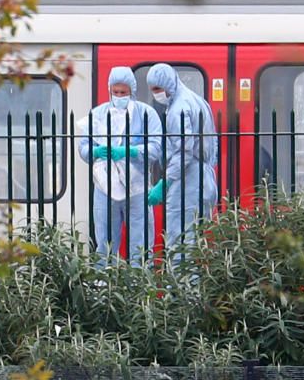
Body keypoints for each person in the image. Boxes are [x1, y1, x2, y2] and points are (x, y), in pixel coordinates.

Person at [78, 67, 163, 266]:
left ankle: (140, 289)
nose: (118, 96)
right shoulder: (98, 114)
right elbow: (83, 147)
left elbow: (156, 148)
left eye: (123, 92)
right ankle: (103, 289)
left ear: (131, 91)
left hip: (137, 189)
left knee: (140, 246)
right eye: (115, 92)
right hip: (104, 188)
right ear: (109, 90)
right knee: (105, 246)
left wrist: (130, 151)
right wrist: (95, 152)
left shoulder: (146, 114)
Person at [145, 64, 218, 259]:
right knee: (192, 239)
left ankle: (180, 288)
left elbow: (184, 151)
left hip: (187, 180)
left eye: (157, 89)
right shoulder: (195, 100)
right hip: (201, 176)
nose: (156, 94)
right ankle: (188, 286)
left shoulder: (179, 109)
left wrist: (165, 182)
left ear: (168, 83)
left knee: (179, 240)